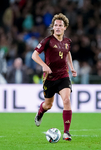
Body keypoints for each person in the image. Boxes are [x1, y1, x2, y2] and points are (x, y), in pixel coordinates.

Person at [32, 13, 77, 141]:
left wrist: (72, 68)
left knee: (67, 100)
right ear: (53, 27)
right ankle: (40, 112)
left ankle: (66, 132)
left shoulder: (67, 42)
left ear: (65, 28)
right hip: (50, 78)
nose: (57, 27)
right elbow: (34, 55)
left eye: (60, 25)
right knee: (48, 105)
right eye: (55, 25)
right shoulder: (47, 41)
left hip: (63, 76)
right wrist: (44, 65)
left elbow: (67, 54)